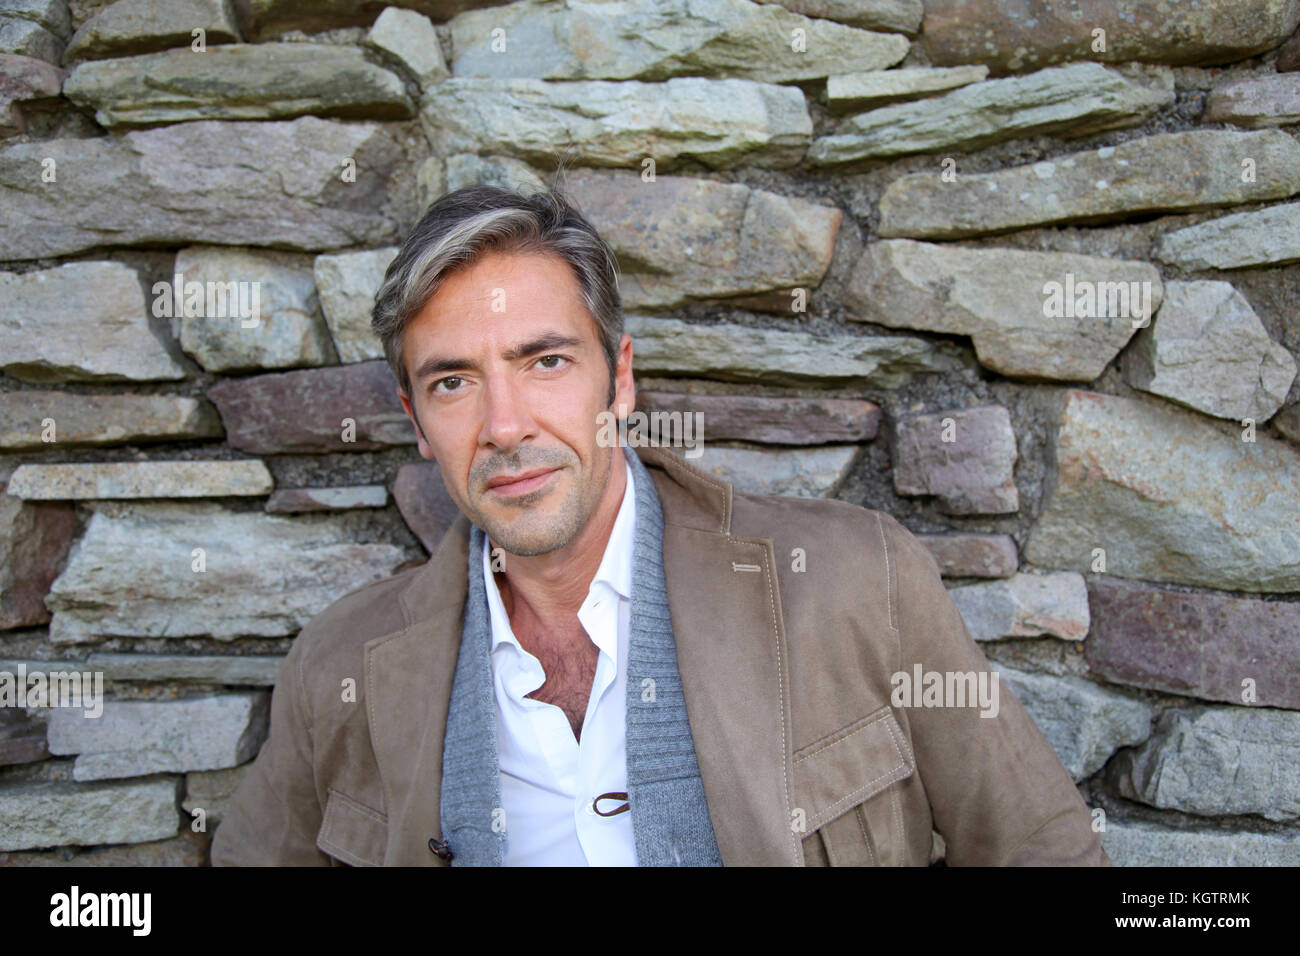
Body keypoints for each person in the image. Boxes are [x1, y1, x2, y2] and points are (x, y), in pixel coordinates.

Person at [211, 181, 1108, 867]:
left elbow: (1044, 850)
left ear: (621, 378)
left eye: (546, 360)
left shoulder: (856, 581)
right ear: (417, 420)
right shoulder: (337, 668)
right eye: (454, 382)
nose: (505, 424)